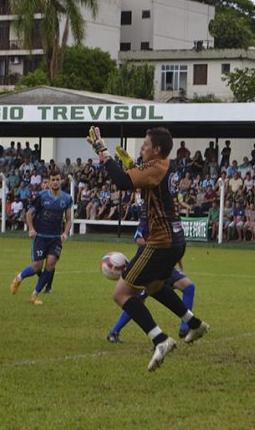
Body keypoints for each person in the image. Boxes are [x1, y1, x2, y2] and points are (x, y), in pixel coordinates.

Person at [87, 126, 209, 372]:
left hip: (160, 243)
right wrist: (133, 164)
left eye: (145, 145)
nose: (141, 147)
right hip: (175, 241)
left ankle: (160, 340)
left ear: (157, 150)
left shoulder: (155, 168)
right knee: (154, 287)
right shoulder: (165, 165)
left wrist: (102, 151)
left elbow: (122, 182)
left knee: (121, 294)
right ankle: (194, 323)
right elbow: (144, 181)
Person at [107, 219, 196, 343]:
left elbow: (177, 244)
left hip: (166, 264)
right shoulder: (149, 217)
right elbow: (138, 239)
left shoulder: (172, 218)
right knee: (137, 300)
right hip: (149, 265)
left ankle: (185, 327)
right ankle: (114, 332)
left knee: (189, 287)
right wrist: (157, 244)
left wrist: (180, 268)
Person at [9, 169, 72, 305]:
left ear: (61, 181)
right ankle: (18, 278)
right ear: (49, 182)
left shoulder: (67, 198)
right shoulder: (42, 196)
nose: (55, 182)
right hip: (41, 236)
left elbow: (68, 219)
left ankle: (35, 295)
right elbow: (29, 214)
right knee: (37, 266)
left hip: (55, 238)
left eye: (57, 179)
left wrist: (65, 232)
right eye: (53, 180)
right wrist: (31, 229)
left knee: (50, 265)